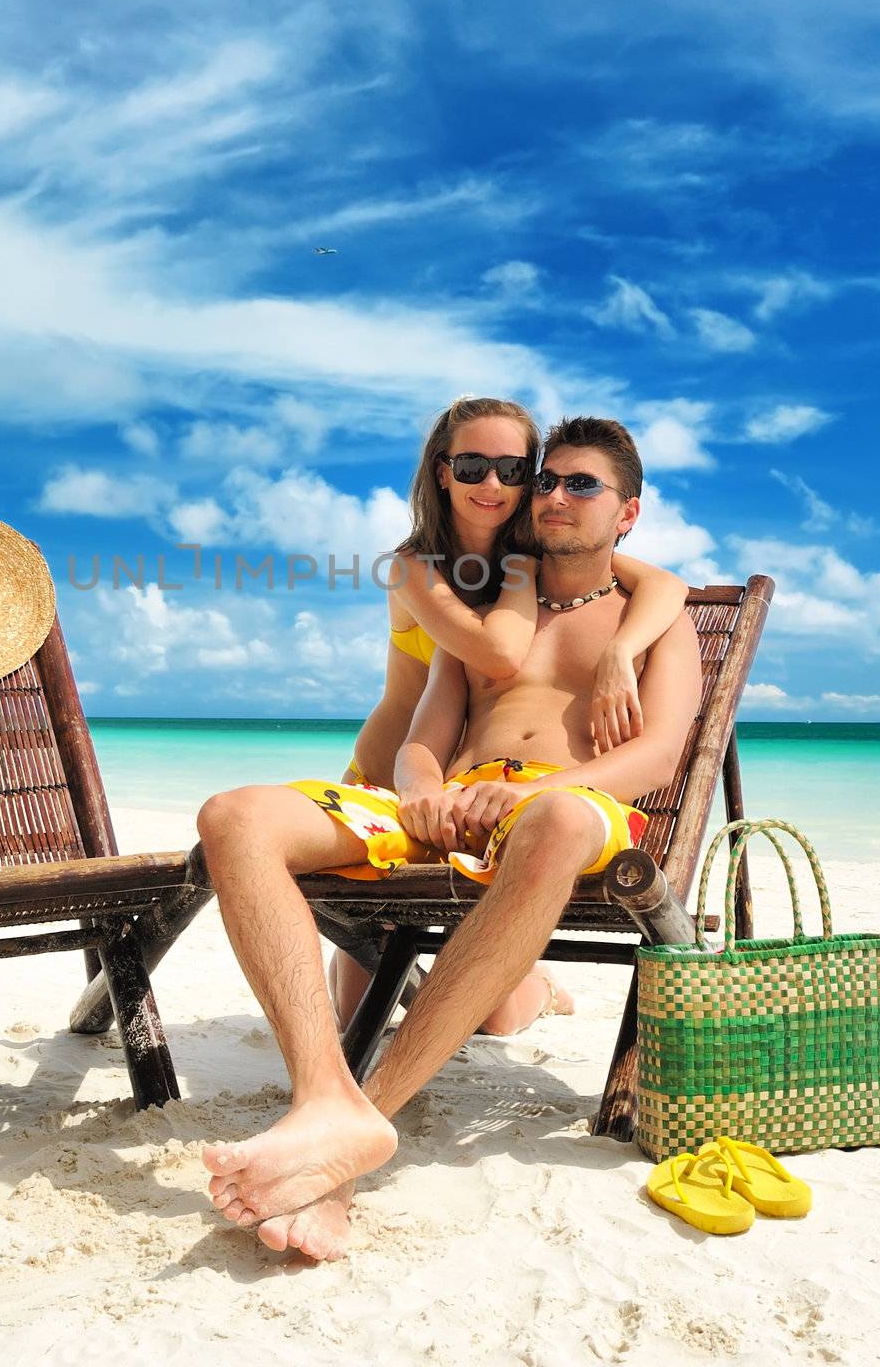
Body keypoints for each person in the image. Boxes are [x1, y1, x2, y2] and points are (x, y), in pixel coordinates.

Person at [196, 416, 702, 1261]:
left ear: (627, 513)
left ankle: (360, 1131)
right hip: (455, 808)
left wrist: (533, 787)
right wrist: (423, 792)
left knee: (555, 818)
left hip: (564, 810)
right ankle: (325, 1098)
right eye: (547, 480)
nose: (554, 495)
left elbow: (657, 755)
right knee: (235, 816)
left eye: (583, 485)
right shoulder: (482, 602)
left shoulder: (650, 624)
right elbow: (425, 735)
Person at [334, 397, 689, 1035]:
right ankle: (449, 985)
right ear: (442, 472)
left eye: (515, 469)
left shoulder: (597, 587)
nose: (495, 484)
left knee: (492, 1014)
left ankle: (524, 985)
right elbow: (489, 664)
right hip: (402, 777)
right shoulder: (440, 574)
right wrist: (423, 787)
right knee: (354, 999)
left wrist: (620, 649)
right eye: (472, 466)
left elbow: (664, 588)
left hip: (510, 801)